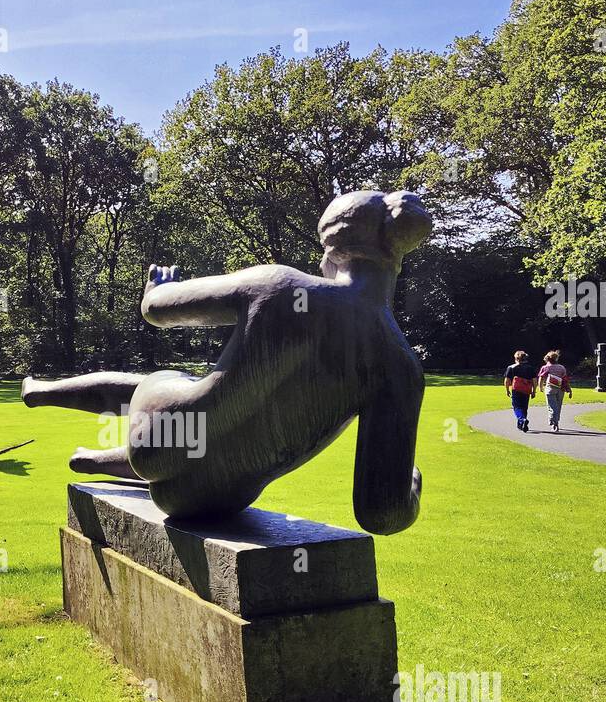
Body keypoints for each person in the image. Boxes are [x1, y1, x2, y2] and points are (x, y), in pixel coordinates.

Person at [22, 190, 431, 535]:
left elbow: (158, 309)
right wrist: (409, 486)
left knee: (167, 387)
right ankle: (87, 449)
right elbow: (381, 513)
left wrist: (159, 286)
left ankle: (46, 399)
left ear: (332, 249)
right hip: (212, 498)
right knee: (207, 427)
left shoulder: (279, 285)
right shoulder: (400, 365)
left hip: (162, 429)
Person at [537, 349, 573, 432]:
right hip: (561, 389)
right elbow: (565, 380)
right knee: (558, 406)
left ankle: (554, 423)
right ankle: (554, 421)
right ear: (556, 358)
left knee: (551, 406)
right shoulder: (561, 367)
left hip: (550, 388)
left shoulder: (545, 367)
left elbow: (541, 378)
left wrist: (540, 387)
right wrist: (569, 390)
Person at [503, 349, 538, 432]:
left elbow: (507, 380)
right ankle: (521, 424)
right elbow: (534, 381)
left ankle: (522, 420)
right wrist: (534, 391)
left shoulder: (511, 367)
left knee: (517, 407)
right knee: (524, 407)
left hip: (516, 390)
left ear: (516, 358)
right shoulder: (530, 368)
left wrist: (507, 390)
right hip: (527, 389)